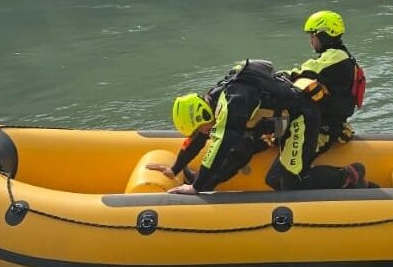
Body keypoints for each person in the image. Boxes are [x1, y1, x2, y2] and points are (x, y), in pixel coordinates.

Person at [159, 59, 371, 194]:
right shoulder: (214, 98)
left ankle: (347, 175)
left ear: (203, 115)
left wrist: (194, 188)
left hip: (301, 118)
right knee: (243, 147)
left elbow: (222, 142)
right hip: (278, 121)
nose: (203, 133)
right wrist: (175, 168)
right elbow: (202, 138)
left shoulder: (234, 101)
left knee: (288, 182)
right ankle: (206, 184)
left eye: (200, 128)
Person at [286, 10, 367, 155]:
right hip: (332, 121)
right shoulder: (343, 56)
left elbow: (303, 72)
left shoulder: (335, 57)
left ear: (324, 35)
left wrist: (273, 76)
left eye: (313, 36)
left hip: (326, 127)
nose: (311, 40)